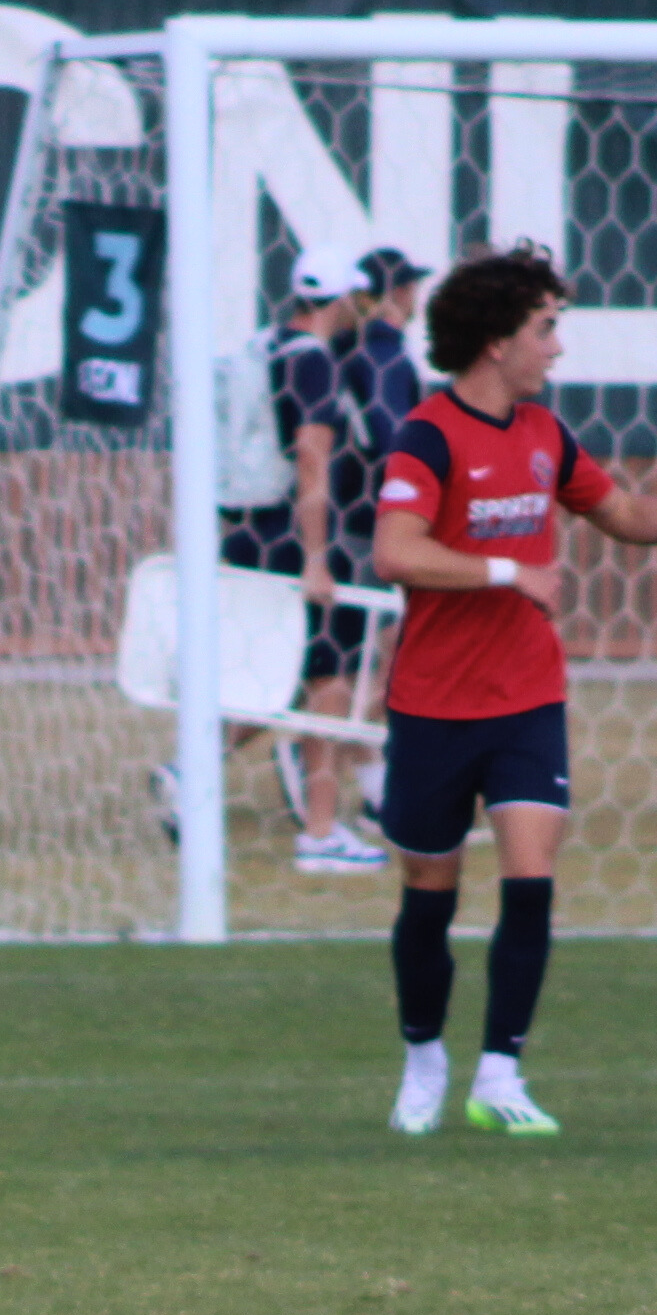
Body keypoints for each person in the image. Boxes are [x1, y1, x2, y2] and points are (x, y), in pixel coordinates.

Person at [363, 248, 657, 1135]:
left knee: (531, 880)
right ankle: (424, 1057)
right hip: (433, 702)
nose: (558, 348)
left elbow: (618, 513)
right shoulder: (427, 436)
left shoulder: (546, 435)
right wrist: (509, 570)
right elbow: (396, 552)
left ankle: (499, 1074)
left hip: (525, 698)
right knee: (429, 897)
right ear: (497, 341)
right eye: (546, 329)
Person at [220, 269, 388, 873]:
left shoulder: (259, 346)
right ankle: (320, 833)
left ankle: (187, 772)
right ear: (340, 297)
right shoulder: (312, 360)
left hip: (243, 528)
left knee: (275, 675)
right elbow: (313, 463)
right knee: (332, 680)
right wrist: (318, 560)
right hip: (293, 538)